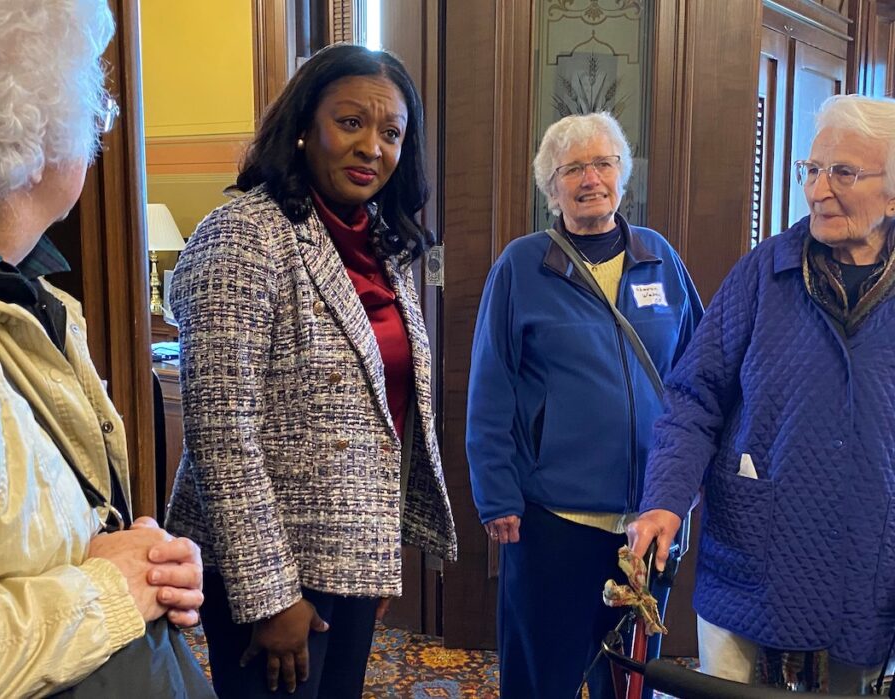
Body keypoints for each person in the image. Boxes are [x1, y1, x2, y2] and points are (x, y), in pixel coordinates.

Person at [0, 1, 211, 696]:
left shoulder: (13, 286)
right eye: (92, 86)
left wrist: (129, 552)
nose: (102, 116)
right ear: (30, 125)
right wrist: (113, 586)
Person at [165, 42, 457, 698]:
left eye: (390, 133)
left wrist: (372, 562)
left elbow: (384, 416)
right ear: (303, 126)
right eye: (350, 123)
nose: (372, 148)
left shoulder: (375, 244)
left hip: (347, 558)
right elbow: (220, 432)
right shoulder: (243, 234)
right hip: (269, 570)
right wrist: (271, 595)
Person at [629, 93, 895, 694]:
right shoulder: (763, 273)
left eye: (844, 173)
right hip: (754, 565)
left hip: (871, 575)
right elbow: (694, 398)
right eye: (812, 169)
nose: (818, 189)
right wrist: (667, 500)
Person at [466, 112, 703, 698]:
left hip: (649, 521)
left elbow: (700, 377)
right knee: (546, 671)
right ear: (551, 187)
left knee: (631, 676)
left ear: (623, 175)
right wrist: (496, 492)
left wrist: (690, 486)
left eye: (604, 163)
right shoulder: (523, 265)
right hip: (555, 518)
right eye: (572, 168)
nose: (590, 178)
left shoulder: (660, 259)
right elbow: (490, 385)